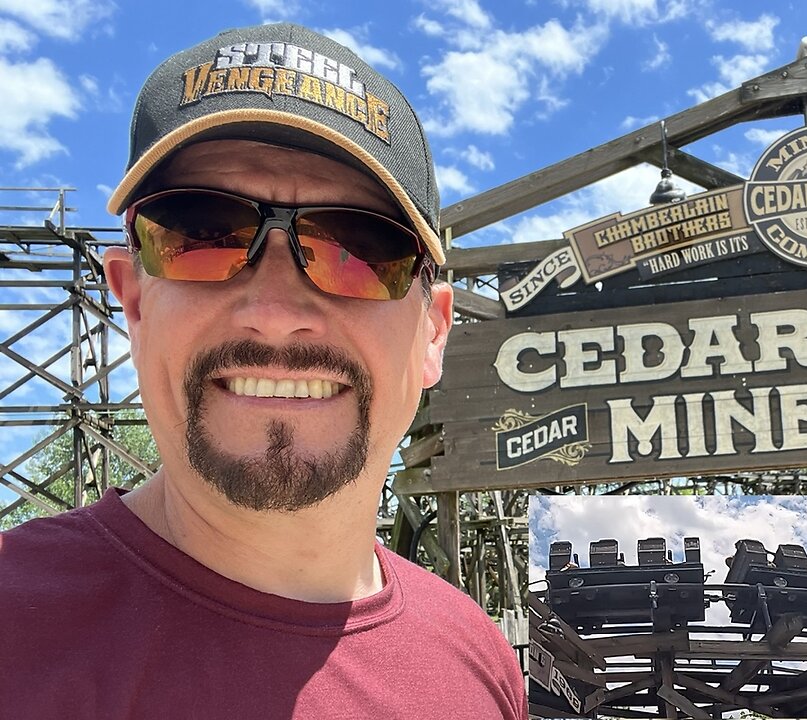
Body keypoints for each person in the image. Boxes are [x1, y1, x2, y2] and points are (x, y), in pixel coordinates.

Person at [0, 23, 526, 719]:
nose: (275, 312)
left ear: (432, 331)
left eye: (358, 249)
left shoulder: (478, 662)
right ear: (130, 300)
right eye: (199, 235)